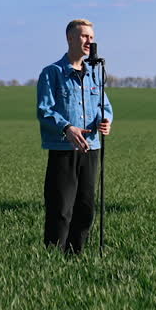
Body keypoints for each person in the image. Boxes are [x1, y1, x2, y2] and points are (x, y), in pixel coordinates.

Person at [36, 19, 112, 254]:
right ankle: (53, 257)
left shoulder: (95, 74)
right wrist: (67, 128)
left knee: (86, 207)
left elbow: (104, 105)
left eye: (91, 36)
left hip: (91, 148)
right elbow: (44, 110)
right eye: (84, 36)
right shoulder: (52, 73)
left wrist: (105, 120)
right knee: (61, 208)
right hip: (63, 148)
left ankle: (75, 255)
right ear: (70, 39)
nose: (90, 41)